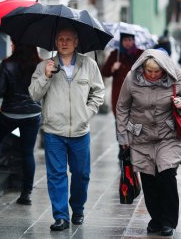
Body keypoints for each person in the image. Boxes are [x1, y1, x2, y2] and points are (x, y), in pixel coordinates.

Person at [28, 27, 105, 231]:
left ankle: (78, 208)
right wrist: (46, 76)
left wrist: (86, 113)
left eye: (68, 39)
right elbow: (34, 95)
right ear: (55, 42)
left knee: (81, 174)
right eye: (60, 39)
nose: (64, 43)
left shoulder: (89, 65)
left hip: (80, 132)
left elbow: (98, 93)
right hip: (54, 131)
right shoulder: (45, 65)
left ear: (76, 42)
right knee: (56, 175)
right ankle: (61, 216)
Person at [116, 49, 181, 236]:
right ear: (142, 68)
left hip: (167, 136)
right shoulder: (131, 78)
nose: (152, 75)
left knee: (166, 175)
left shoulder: (175, 75)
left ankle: (169, 221)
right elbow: (122, 107)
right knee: (149, 179)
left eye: (156, 72)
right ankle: (156, 219)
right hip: (141, 136)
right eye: (149, 71)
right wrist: (123, 137)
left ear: (163, 69)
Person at [0, 41, 42, 205]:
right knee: (28, 152)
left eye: (13, 43)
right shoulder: (41, 64)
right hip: (33, 113)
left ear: (17, 46)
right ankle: (26, 193)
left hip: (10, 113)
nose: (12, 46)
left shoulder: (8, 63)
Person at [101, 32, 143, 159]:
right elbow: (105, 72)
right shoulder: (116, 54)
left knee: (135, 122)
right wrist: (113, 68)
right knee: (120, 122)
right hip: (118, 96)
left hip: (135, 96)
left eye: (130, 39)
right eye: (125, 40)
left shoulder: (140, 54)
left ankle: (133, 147)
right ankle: (122, 147)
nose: (128, 42)